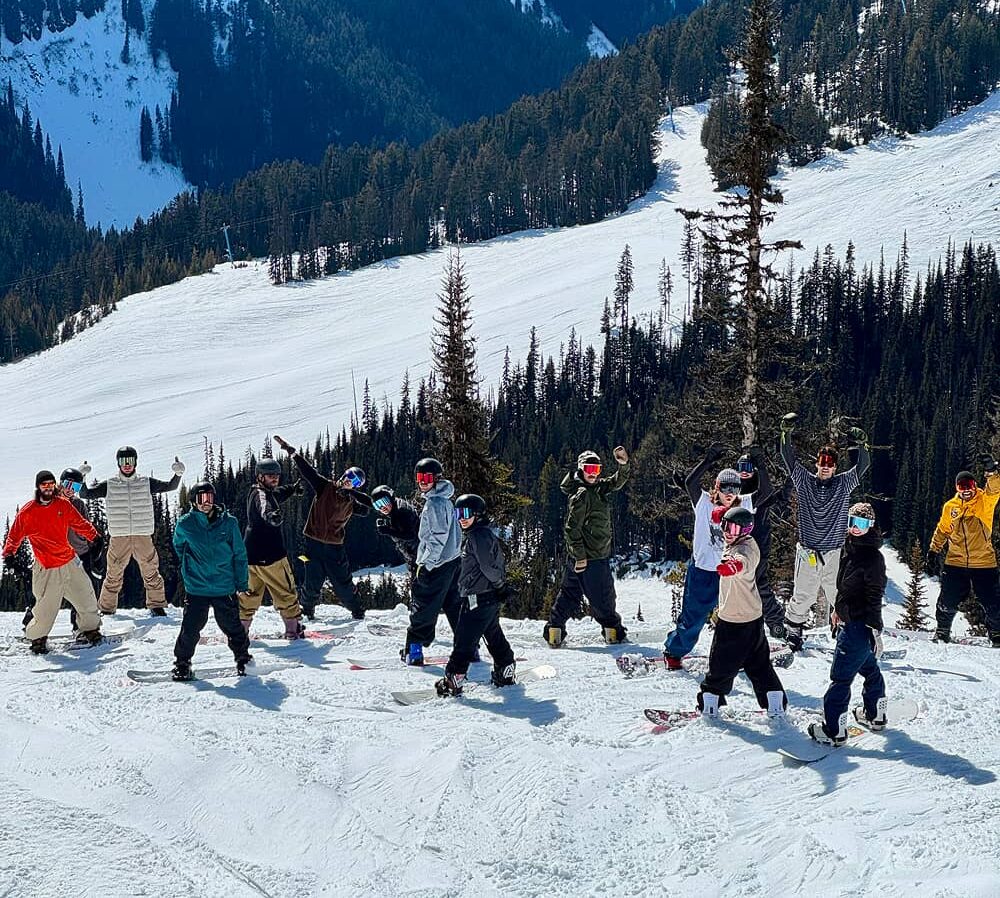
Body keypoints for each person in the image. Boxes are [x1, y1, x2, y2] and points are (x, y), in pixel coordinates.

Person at [778, 413, 870, 650]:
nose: (826, 466)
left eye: (830, 463)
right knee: (803, 594)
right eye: (823, 462)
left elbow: (863, 465)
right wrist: (785, 434)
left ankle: (845, 630)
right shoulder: (804, 481)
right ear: (817, 463)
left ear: (835, 467)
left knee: (838, 594)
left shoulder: (843, 484)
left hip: (834, 553)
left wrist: (863, 445)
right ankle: (793, 631)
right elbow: (788, 458)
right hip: (808, 551)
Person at [662, 444, 752, 668]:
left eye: (735, 488)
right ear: (717, 488)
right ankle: (674, 652)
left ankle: (739, 654)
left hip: (731, 573)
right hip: (703, 572)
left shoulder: (744, 505)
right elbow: (690, 483)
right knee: (693, 618)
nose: (730, 493)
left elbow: (767, 492)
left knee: (737, 617)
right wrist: (708, 460)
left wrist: (758, 464)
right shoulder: (704, 502)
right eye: (725, 487)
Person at [808, 502, 887, 745]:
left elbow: (875, 594)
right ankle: (876, 714)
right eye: (852, 522)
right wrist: (837, 610)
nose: (855, 527)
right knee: (869, 667)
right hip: (851, 620)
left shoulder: (872, 557)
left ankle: (834, 730)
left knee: (840, 677)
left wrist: (874, 628)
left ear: (870, 525)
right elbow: (844, 588)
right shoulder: (849, 547)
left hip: (858, 625)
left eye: (861, 523)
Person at [697, 506, 786, 718]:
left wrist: (732, 567)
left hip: (733, 621)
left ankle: (710, 702)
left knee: (720, 664)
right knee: (758, 664)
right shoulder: (740, 541)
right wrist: (722, 516)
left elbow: (742, 562)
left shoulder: (745, 550)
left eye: (735, 529)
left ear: (746, 531)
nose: (728, 532)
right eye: (726, 526)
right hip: (752, 617)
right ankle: (774, 701)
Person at [3, 471, 104, 654]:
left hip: (69, 561)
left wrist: (95, 538)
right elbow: (14, 536)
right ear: (38, 487)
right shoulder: (28, 512)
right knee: (46, 610)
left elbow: (79, 523)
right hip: (47, 567)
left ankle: (89, 629)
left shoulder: (63, 505)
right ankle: (38, 638)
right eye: (44, 485)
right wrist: (9, 555)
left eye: (51, 484)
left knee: (86, 598)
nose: (48, 488)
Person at [273, 435, 371, 621]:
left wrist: (354, 495)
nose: (349, 482)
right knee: (312, 580)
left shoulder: (351, 501)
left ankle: (358, 611)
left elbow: (367, 509)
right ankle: (307, 610)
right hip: (314, 543)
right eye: (350, 478)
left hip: (335, 547)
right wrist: (292, 453)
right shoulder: (325, 487)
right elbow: (308, 472)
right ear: (344, 476)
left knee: (342, 583)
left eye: (355, 482)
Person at [79, 446, 184, 616]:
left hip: (142, 534)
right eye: (123, 461)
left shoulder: (145, 482)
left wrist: (178, 474)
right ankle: (106, 608)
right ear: (118, 463)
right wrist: (82, 476)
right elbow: (85, 494)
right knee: (113, 573)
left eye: (130, 460)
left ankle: (157, 605)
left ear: (135, 462)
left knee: (151, 570)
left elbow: (170, 486)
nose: (127, 465)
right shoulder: (110, 484)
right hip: (119, 536)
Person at [543, 447, 630, 647]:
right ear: (581, 469)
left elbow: (616, 482)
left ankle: (555, 630)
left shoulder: (597, 488)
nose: (593, 474)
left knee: (569, 593)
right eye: (589, 469)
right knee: (604, 596)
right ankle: (613, 632)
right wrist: (581, 556)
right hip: (591, 557)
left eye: (597, 469)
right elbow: (571, 529)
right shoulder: (582, 494)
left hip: (583, 556)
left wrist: (623, 465)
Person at [435, 494, 517, 696]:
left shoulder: (478, 536)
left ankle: (454, 678)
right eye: (458, 514)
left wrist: (500, 585)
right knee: (493, 634)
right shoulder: (479, 534)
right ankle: (505, 668)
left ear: (478, 514)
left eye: (465, 513)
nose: (461, 518)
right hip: (486, 597)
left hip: (478, 598)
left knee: (464, 639)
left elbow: (488, 566)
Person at [171, 481, 253, 681]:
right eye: (201, 498)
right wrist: (190, 567)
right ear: (194, 501)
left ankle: (243, 659)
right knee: (190, 628)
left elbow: (239, 554)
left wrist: (242, 583)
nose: (206, 502)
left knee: (233, 627)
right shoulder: (185, 524)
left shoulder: (229, 523)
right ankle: (182, 664)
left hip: (224, 586)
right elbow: (179, 547)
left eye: (209, 497)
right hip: (197, 587)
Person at [925, 461, 1000, 647]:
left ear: (975, 485)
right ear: (957, 488)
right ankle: (942, 630)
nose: (966, 490)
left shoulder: (984, 501)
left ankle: (997, 633)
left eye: (969, 485)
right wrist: (933, 551)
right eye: (962, 486)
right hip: (955, 561)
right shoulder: (950, 507)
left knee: (992, 602)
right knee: (947, 600)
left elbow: (994, 490)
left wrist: (991, 472)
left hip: (983, 561)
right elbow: (943, 530)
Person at [401, 458, 463, 665]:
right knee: (454, 605)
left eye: (427, 478)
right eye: (419, 477)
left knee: (424, 604)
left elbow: (437, 538)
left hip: (437, 565)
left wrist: (427, 565)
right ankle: (469, 647)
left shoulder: (435, 504)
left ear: (436, 479)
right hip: (452, 562)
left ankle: (414, 649)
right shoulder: (445, 500)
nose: (422, 482)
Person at [241, 457, 306, 639]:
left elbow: (277, 494)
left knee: (248, 595)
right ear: (260, 477)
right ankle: (292, 631)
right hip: (271, 556)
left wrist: (292, 489)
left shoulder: (261, 491)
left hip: (250, 557)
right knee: (285, 591)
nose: (275, 478)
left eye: (277, 475)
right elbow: (264, 506)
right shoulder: (260, 495)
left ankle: (241, 632)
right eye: (270, 476)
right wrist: (270, 516)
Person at [736, 449, 788, 638]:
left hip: (758, 545)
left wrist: (762, 464)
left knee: (758, 584)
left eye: (749, 468)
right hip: (738, 545)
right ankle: (745, 624)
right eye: (741, 467)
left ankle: (776, 623)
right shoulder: (734, 491)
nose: (744, 471)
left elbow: (773, 494)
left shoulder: (760, 491)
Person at [371, 485, 421, 575]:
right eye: (377, 505)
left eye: (384, 502)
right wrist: (352, 492)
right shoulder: (395, 507)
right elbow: (367, 501)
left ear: (391, 498)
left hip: (419, 556)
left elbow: (411, 536)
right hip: (415, 555)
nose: (382, 508)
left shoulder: (401, 512)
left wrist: (388, 531)